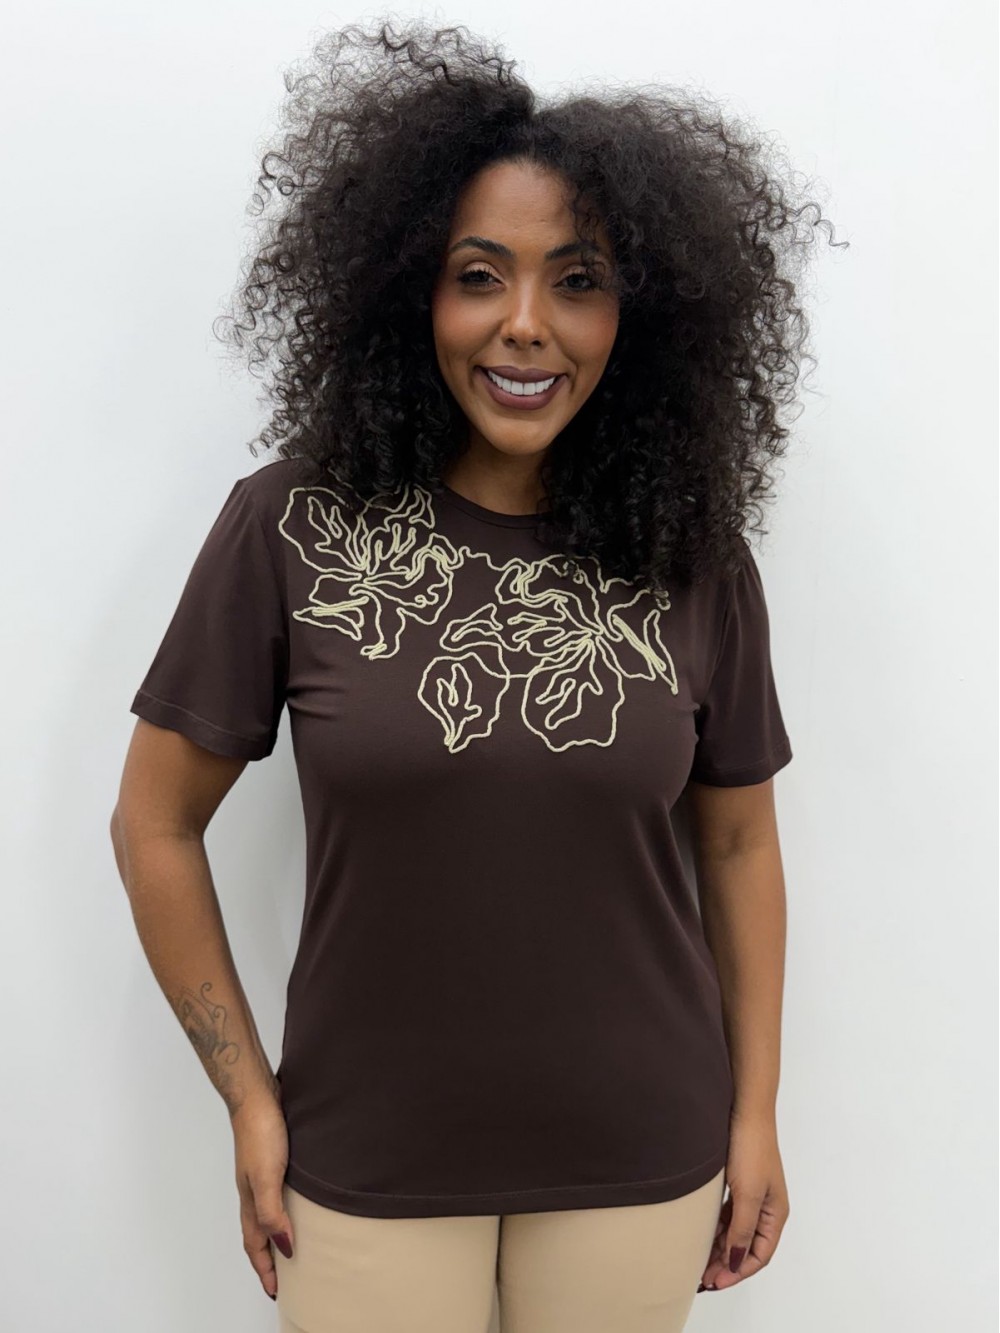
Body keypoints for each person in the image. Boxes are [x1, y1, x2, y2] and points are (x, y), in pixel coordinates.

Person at [111, 18, 840, 1332]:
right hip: (361, 1162)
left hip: (638, 1156)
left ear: (639, 315)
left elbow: (738, 843)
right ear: (410, 294)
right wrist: (248, 1099)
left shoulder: (692, 555)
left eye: (578, 281)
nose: (525, 325)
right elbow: (153, 822)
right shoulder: (292, 527)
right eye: (478, 276)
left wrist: (756, 1113)